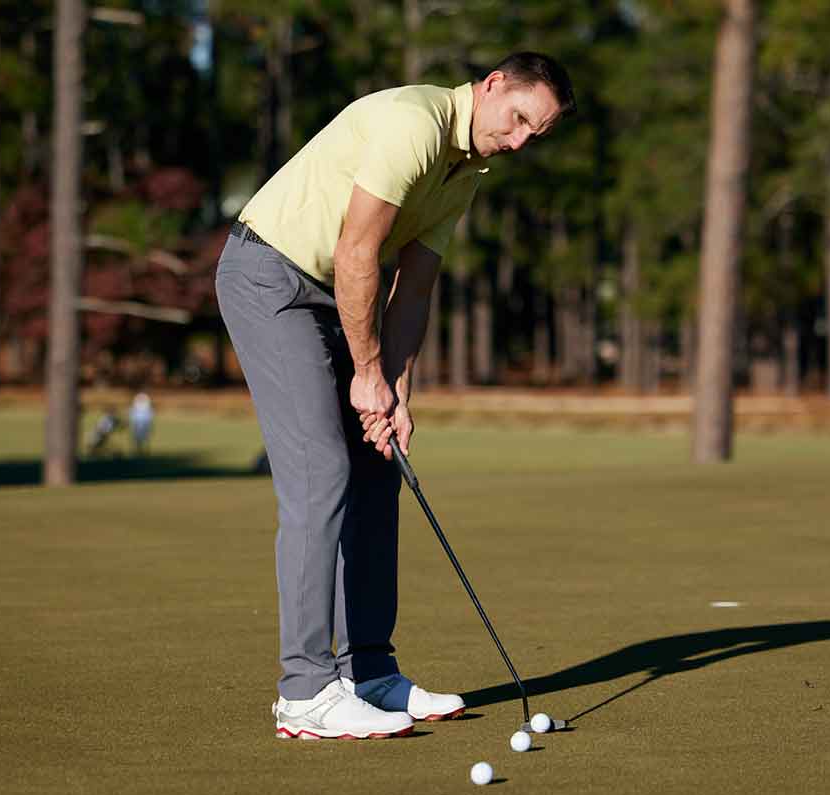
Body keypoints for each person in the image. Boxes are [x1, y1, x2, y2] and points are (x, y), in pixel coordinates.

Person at [215, 53, 576, 740]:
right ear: (493, 86)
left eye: (541, 132)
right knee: (322, 473)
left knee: (381, 465)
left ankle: (369, 674)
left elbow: (413, 290)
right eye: (521, 119)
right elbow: (358, 251)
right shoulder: (414, 124)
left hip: (331, 294)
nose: (524, 139)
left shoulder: (466, 171)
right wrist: (367, 370)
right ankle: (305, 691)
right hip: (270, 277)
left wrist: (397, 392)